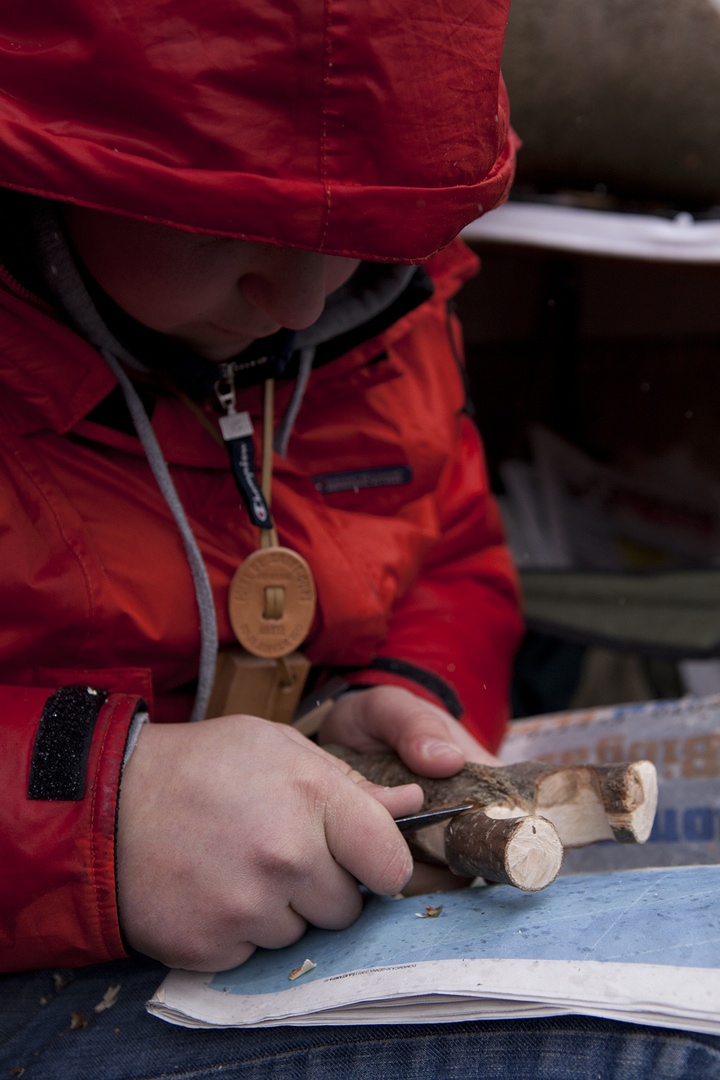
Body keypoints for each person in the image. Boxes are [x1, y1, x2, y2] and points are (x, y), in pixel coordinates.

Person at [1, 2, 718, 1078]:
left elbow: (450, 551)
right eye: (219, 222)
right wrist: (91, 814)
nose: (296, 299)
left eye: (362, 231)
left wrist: (399, 685)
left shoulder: (380, 309)